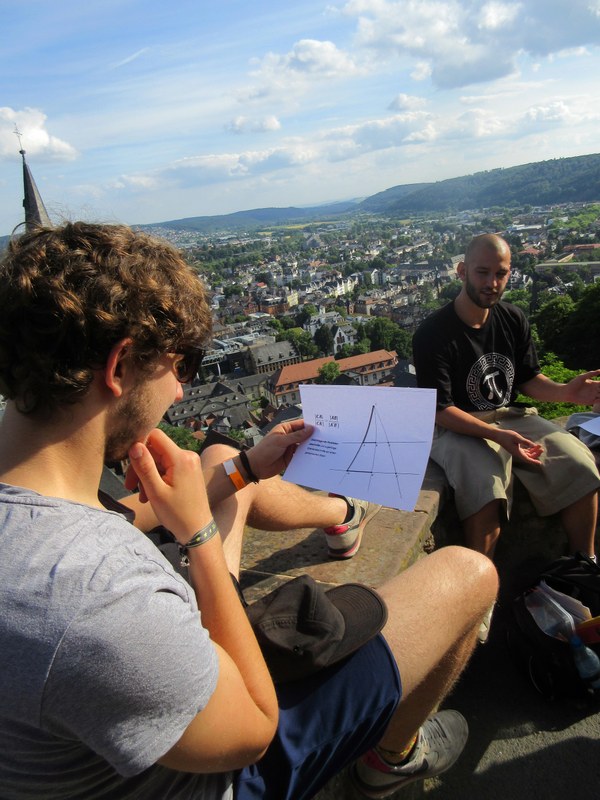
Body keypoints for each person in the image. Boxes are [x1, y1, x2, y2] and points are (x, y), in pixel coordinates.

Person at [0, 222, 498, 800]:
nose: (182, 392)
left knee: (220, 457)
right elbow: (254, 730)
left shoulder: (31, 499)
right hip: (222, 774)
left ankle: (341, 515)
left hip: (138, 696)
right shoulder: (93, 595)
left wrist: (246, 469)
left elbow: (112, 517)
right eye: (180, 366)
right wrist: (201, 534)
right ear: (120, 367)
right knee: (471, 575)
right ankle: (392, 758)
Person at [413, 233, 600, 562]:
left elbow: (527, 378)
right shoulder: (433, 333)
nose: (492, 283)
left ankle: (584, 566)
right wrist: (497, 437)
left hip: (509, 415)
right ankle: (481, 600)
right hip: (456, 425)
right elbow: (440, 411)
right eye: (482, 272)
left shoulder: (513, 319)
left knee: (581, 464)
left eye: (500, 274)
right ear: (462, 271)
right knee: (487, 488)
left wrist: (566, 392)